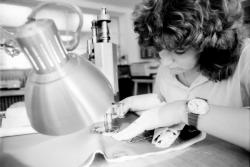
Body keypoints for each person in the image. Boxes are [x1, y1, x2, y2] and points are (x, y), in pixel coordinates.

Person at [110, 0, 250, 151]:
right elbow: (165, 101)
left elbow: (174, 109)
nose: (164, 61)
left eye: (178, 51)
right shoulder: (168, 68)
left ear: (208, 43)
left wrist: (183, 112)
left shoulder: (246, 56)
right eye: (159, 48)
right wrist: (132, 102)